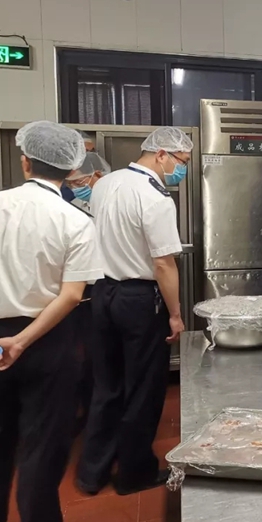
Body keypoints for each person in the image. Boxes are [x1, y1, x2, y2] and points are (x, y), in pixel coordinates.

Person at [77, 127, 192, 496]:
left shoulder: (105, 184)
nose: (181, 169)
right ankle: (133, 473)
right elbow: (163, 264)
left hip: (103, 293)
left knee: (107, 386)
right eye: (182, 161)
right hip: (138, 300)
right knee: (143, 388)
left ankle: (92, 473)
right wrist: (175, 314)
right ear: (161, 154)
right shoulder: (156, 197)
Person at [0, 121, 104, 522]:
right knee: (42, 450)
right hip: (49, 340)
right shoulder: (75, 220)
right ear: (72, 169)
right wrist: (22, 341)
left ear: (25, 162)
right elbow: (72, 295)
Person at [61, 151, 111, 433]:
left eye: (80, 181)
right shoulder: (68, 209)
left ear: (98, 175)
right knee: (79, 358)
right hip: (76, 293)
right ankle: (83, 414)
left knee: (98, 359)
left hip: (101, 289)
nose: (75, 187)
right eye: (71, 183)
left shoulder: (110, 203)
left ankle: (97, 416)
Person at [61, 130, 97, 201]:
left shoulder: (95, 176)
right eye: (85, 151)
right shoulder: (59, 183)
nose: (90, 155)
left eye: (92, 151)